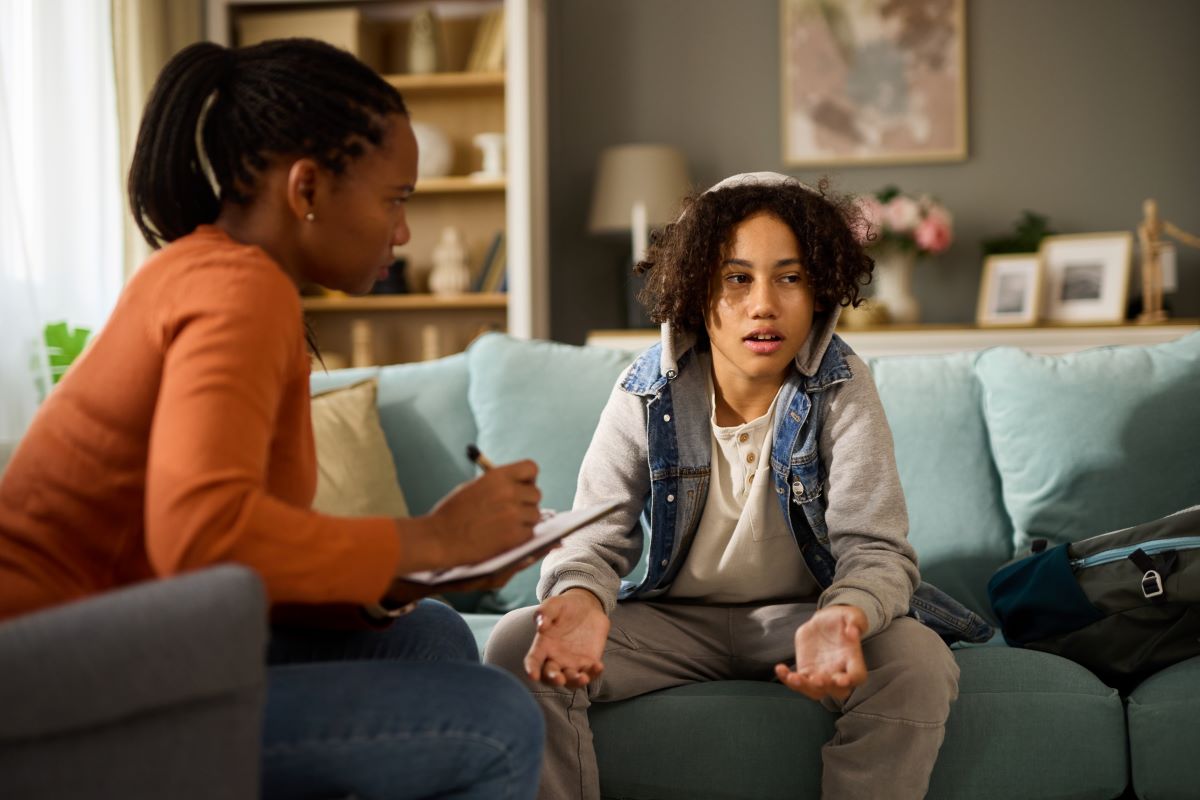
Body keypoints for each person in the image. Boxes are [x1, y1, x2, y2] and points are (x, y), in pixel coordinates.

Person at [0, 38, 545, 799]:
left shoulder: (220, 275)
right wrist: (431, 537)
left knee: (428, 634)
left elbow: (223, 566)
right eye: (395, 199)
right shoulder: (237, 290)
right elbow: (200, 535)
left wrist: (412, 570)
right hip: (52, 674)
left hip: (131, 638)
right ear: (307, 187)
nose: (402, 232)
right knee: (495, 724)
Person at [484, 172, 993, 799]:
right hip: (674, 625)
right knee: (517, 643)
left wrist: (845, 615)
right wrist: (583, 601)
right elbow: (595, 533)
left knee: (917, 661)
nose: (764, 305)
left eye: (790, 277)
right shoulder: (646, 391)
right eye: (736, 278)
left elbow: (876, 547)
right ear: (698, 289)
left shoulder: (843, 388)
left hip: (806, 616)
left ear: (821, 291)